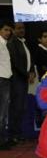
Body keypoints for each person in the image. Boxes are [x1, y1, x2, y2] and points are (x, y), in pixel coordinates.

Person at [7, 22, 35, 144]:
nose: (21, 30)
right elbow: (15, 62)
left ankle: (17, 134)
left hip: (23, 79)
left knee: (21, 107)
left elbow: (30, 59)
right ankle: (13, 135)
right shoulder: (12, 43)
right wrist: (26, 74)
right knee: (16, 107)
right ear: (13, 30)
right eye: (18, 28)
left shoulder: (24, 42)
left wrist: (32, 71)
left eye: (23, 28)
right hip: (16, 79)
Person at [0, 20, 13, 150]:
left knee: (3, 112)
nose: (8, 32)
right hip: (1, 79)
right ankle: (1, 141)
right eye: (5, 29)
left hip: (5, 79)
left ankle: (2, 139)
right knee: (2, 112)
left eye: (9, 30)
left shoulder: (5, 43)